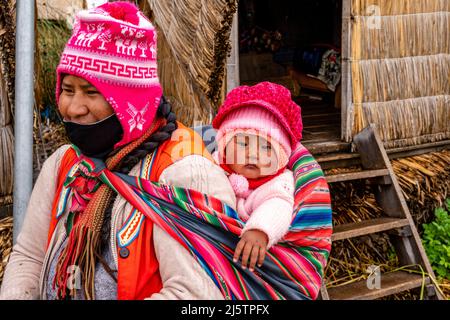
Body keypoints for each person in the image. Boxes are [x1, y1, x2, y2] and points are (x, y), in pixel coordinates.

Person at [0, 2, 236, 300]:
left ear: (130, 102)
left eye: (91, 92)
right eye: (68, 90)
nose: (73, 108)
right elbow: (29, 257)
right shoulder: (66, 163)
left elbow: (197, 294)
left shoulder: (184, 172)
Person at [211, 82, 302, 272]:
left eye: (267, 147)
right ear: (224, 148)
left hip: (247, 257)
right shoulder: (214, 165)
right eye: (243, 143)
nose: (253, 154)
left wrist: (259, 230)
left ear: (281, 158)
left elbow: (278, 205)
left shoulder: (278, 182)